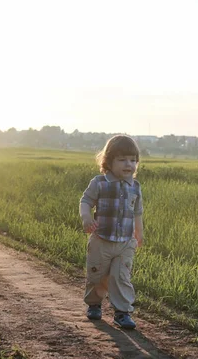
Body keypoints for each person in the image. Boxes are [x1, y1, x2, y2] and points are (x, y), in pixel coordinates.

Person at [79, 135, 144, 329]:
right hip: (101, 240)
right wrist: (86, 217)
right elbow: (86, 201)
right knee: (96, 274)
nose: (128, 164)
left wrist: (139, 232)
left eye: (132, 160)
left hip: (125, 242)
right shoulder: (100, 182)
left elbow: (137, 212)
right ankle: (94, 304)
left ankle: (122, 312)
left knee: (121, 276)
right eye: (122, 159)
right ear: (109, 161)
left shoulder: (136, 186)